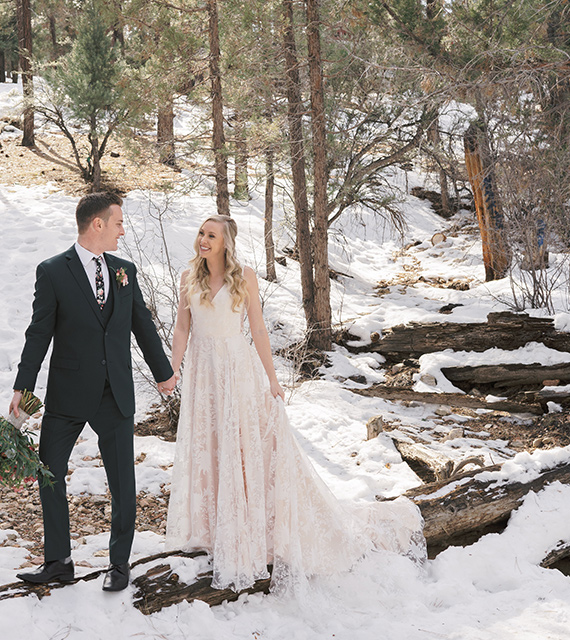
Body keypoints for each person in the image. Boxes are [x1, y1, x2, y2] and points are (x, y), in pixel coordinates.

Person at [165, 215, 425, 594]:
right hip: (204, 376)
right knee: (211, 447)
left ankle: (254, 534)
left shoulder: (245, 277)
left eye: (211, 235)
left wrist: (272, 379)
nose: (202, 240)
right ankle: (213, 531)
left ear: (226, 243)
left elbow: (257, 329)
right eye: (201, 233)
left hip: (239, 373)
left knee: (244, 449)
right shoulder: (189, 277)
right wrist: (172, 371)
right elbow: (182, 329)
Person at [11, 192, 177, 592]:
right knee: (48, 474)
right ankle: (58, 561)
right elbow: (39, 333)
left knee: (122, 482)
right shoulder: (53, 271)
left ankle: (119, 563)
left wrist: (164, 372)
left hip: (114, 394)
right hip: (67, 395)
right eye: (118, 222)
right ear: (97, 225)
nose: (123, 230)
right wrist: (23, 386)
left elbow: (143, 324)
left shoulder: (125, 270)